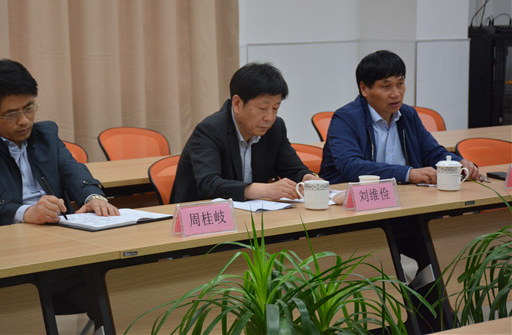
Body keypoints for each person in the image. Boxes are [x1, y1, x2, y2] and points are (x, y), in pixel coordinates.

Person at [0, 58, 118, 326]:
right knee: (103, 280)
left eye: (29, 108)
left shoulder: (46, 133)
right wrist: (27, 213)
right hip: (8, 257)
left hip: (62, 247)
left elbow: (73, 170)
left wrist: (93, 197)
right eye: (11, 114)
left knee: (119, 276)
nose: (25, 120)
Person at [320, 50, 480, 184]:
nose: (396, 94)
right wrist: (407, 173)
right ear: (364, 89)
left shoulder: (408, 115)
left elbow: (431, 152)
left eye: (400, 84)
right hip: (355, 200)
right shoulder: (346, 119)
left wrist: (458, 164)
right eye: (386, 86)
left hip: (406, 195)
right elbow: (352, 166)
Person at [170, 62, 321, 203]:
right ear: (237, 104)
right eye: (263, 108)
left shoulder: (275, 128)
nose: (269, 118)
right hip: (202, 213)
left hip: (251, 212)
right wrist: (265, 190)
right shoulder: (210, 130)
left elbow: (293, 169)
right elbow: (209, 184)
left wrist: (307, 177)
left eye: (275, 108)